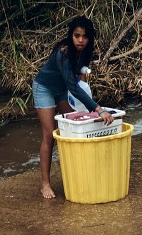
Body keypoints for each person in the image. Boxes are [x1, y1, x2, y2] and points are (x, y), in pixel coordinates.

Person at [33, 16, 112, 199]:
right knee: (50, 134)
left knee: (73, 128)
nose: (81, 40)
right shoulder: (63, 51)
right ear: (71, 35)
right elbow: (74, 88)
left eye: (85, 36)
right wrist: (98, 109)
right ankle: (45, 184)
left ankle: (76, 174)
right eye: (77, 36)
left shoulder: (85, 50)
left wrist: (87, 104)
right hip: (44, 88)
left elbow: (79, 78)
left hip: (62, 89)